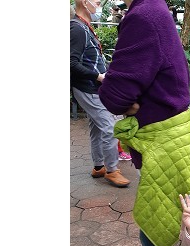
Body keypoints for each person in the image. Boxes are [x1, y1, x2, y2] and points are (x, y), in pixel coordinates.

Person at [98, 0, 190, 246]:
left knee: (155, 219)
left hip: (163, 141)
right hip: (172, 135)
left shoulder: (143, 15)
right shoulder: (155, 8)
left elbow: (115, 95)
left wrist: (113, 89)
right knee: (179, 212)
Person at [70, 0, 130, 187]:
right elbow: (71, 63)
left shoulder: (83, 26)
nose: (98, 4)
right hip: (87, 87)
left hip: (91, 86)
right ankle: (112, 170)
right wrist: (98, 76)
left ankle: (98, 167)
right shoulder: (77, 28)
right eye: (96, 1)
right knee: (109, 127)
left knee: (97, 127)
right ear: (84, 2)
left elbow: (89, 59)